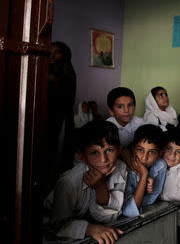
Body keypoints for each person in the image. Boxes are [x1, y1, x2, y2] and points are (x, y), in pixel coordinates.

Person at [44, 121, 126, 243]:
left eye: (109, 150)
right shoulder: (69, 182)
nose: (103, 159)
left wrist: (100, 186)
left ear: (119, 149)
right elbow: (55, 226)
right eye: (94, 152)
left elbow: (113, 214)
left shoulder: (121, 168)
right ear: (82, 156)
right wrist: (88, 228)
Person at [45, 41, 77, 190]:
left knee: (58, 150)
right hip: (46, 116)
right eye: (50, 51)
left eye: (56, 52)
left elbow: (65, 99)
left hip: (61, 117)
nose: (52, 55)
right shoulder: (44, 67)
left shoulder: (67, 72)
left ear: (64, 55)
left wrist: (53, 80)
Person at [122, 124, 167, 217]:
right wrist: (144, 175)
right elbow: (129, 210)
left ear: (159, 154)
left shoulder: (161, 165)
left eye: (151, 152)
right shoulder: (125, 171)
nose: (144, 157)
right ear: (133, 149)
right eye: (140, 150)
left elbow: (151, 198)